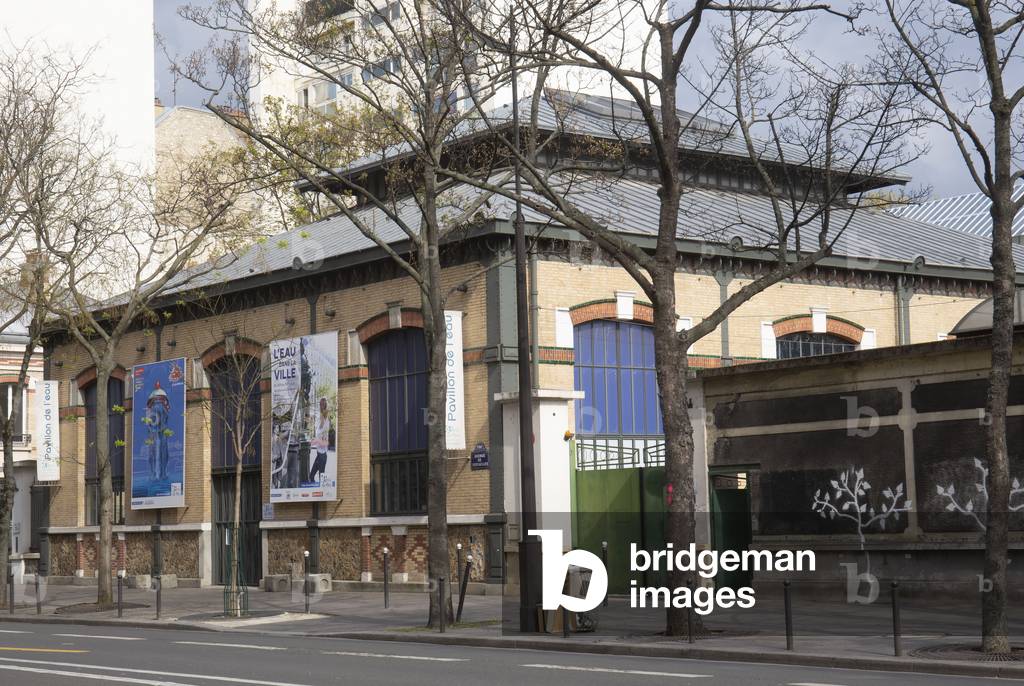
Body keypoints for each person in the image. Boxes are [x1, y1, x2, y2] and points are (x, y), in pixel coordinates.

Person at [309, 396, 331, 484]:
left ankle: (311, 476)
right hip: (321, 441)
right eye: (322, 404)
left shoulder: (323, 414)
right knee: (323, 459)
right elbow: (320, 428)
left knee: (320, 459)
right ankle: (322, 483)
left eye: (323, 404)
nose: (323, 405)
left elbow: (322, 427)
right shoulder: (323, 414)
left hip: (322, 441)